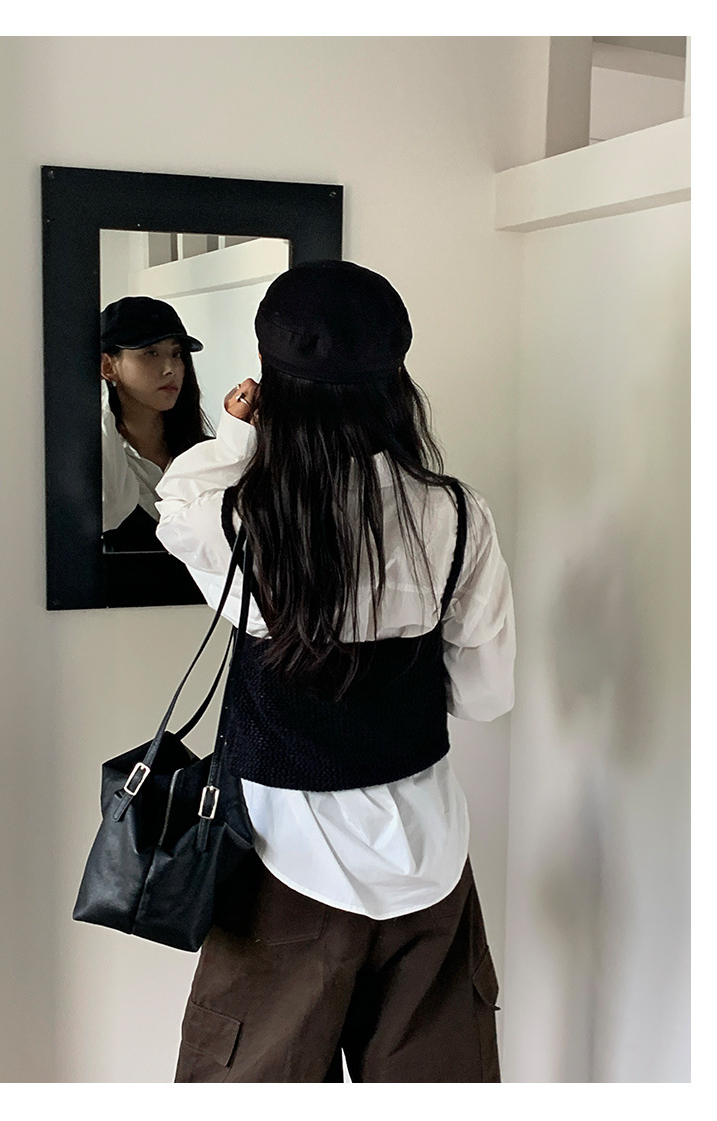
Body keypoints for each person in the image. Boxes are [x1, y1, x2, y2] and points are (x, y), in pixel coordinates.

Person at [155, 260, 516, 1083]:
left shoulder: (238, 519)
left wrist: (239, 435)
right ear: (396, 380)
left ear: (269, 376)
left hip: (280, 866)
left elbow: (175, 504)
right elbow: (486, 693)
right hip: (428, 859)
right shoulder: (458, 514)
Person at [100, 295, 210, 551]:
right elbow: (108, 514)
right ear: (108, 366)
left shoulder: (205, 455)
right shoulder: (103, 462)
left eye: (177, 354)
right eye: (151, 353)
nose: (170, 368)